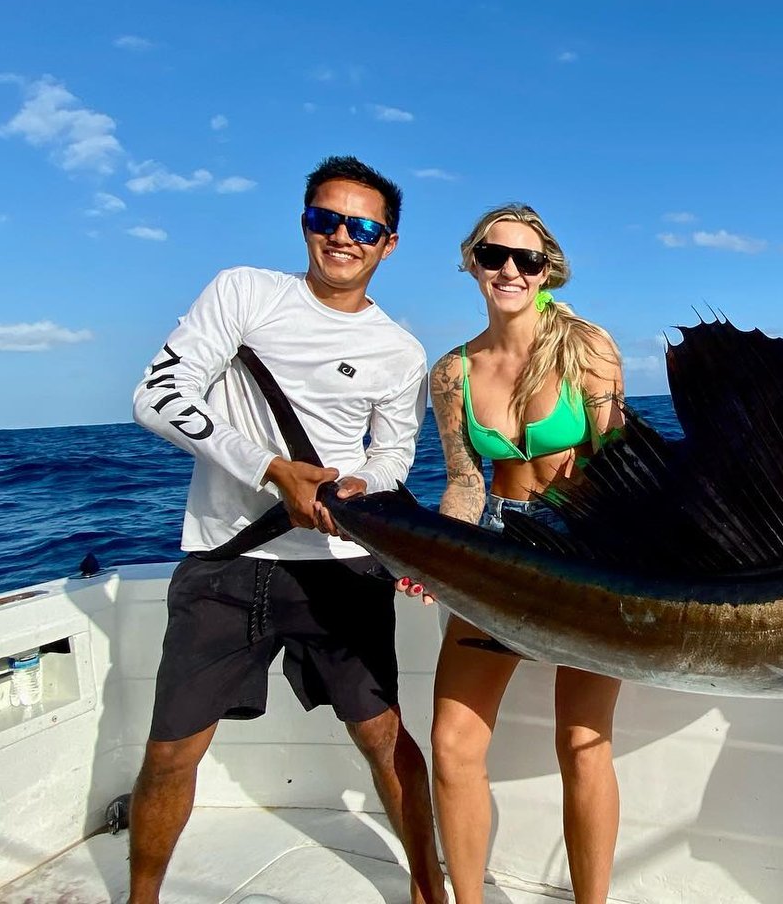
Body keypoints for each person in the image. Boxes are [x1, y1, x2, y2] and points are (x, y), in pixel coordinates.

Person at [127, 156, 447, 904]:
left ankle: (429, 893)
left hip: (341, 565)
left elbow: (394, 452)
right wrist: (270, 468)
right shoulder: (243, 291)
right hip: (225, 565)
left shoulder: (400, 351)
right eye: (325, 219)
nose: (342, 236)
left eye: (362, 226)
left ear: (387, 243)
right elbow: (156, 394)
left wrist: (366, 484)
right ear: (304, 223)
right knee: (172, 752)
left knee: (382, 737)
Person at [422, 203, 625, 904]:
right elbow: (460, 483)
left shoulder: (587, 347)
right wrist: (439, 557)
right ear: (472, 261)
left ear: (547, 271)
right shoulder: (450, 373)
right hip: (499, 553)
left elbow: (620, 468)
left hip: (582, 555)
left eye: (526, 260)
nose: (509, 270)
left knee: (582, 743)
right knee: (451, 744)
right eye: (493, 255)